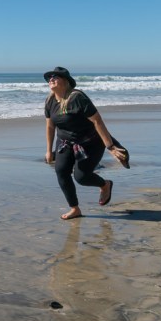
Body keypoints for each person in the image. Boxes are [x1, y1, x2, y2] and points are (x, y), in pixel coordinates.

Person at [43, 67, 129, 220]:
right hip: (65, 142)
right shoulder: (50, 100)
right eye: (50, 77)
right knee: (61, 171)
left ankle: (105, 185)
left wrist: (110, 146)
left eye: (56, 76)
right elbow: (50, 126)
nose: (51, 79)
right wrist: (49, 150)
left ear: (66, 81)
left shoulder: (77, 98)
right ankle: (75, 209)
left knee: (81, 177)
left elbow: (97, 121)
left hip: (90, 142)